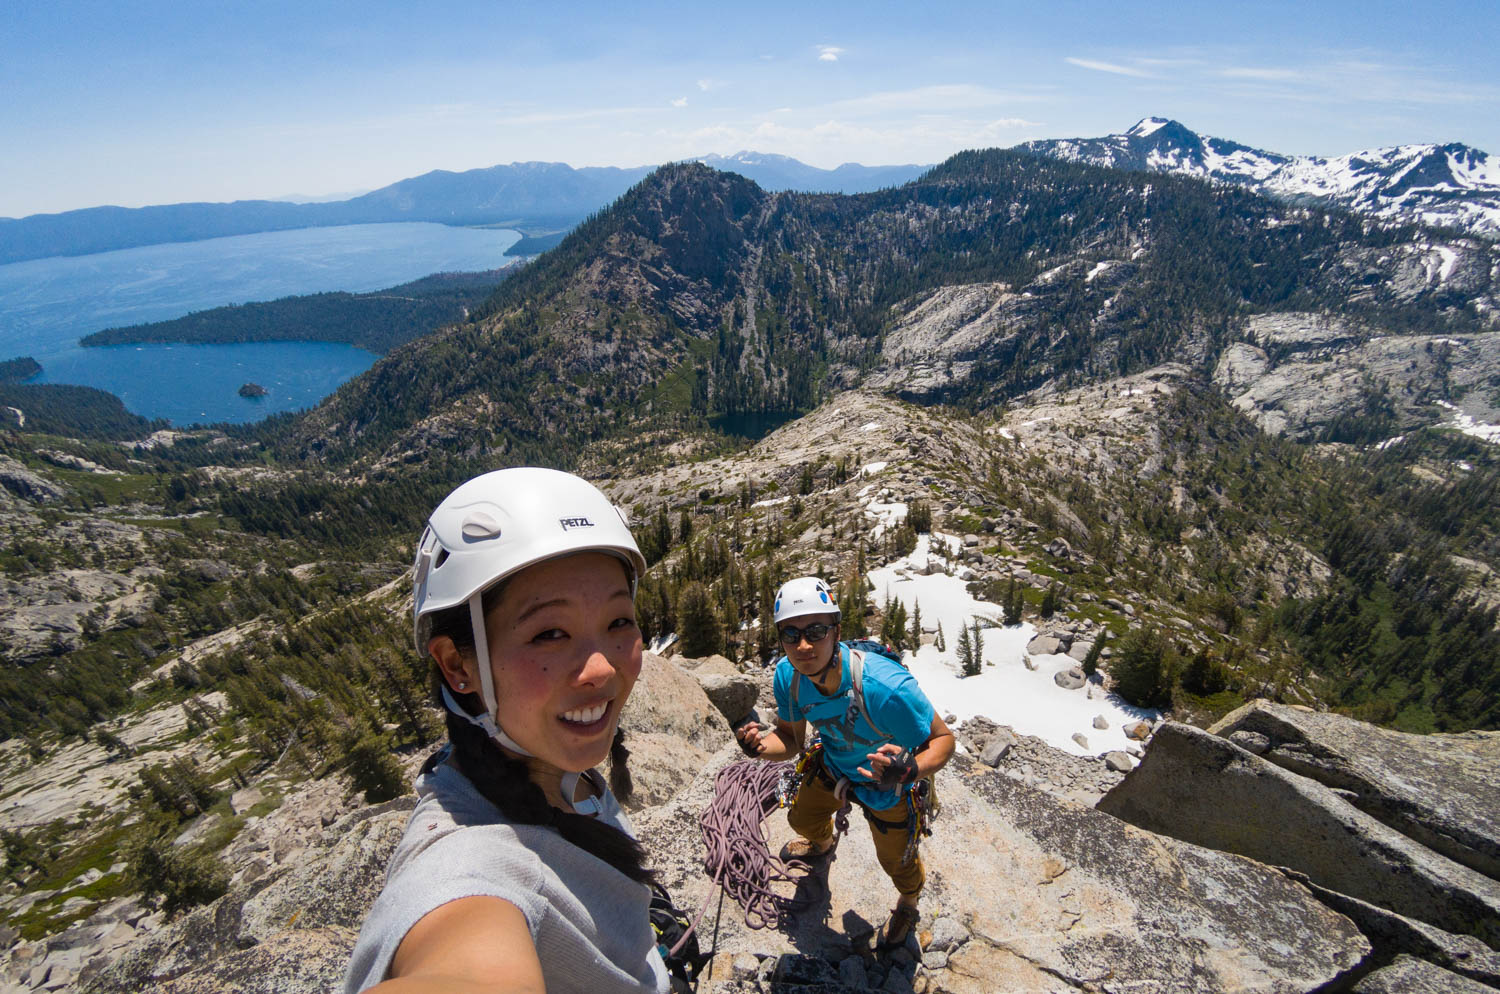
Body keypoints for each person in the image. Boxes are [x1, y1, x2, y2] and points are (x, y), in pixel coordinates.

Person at [343, 467, 670, 994]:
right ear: (456, 665)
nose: (604, 670)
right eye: (549, 633)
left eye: (618, 622)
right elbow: (462, 959)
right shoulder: (471, 867)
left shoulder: (549, 767)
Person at [735, 576, 955, 950]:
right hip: (834, 762)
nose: (803, 645)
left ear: (836, 632)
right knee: (801, 818)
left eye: (816, 631)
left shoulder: (884, 687)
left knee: (896, 863)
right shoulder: (789, 677)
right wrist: (759, 748)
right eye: (791, 634)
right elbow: (789, 740)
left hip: (890, 783)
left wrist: (911, 771)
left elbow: (943, 741)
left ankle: (909, 903)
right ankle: (822, 845)